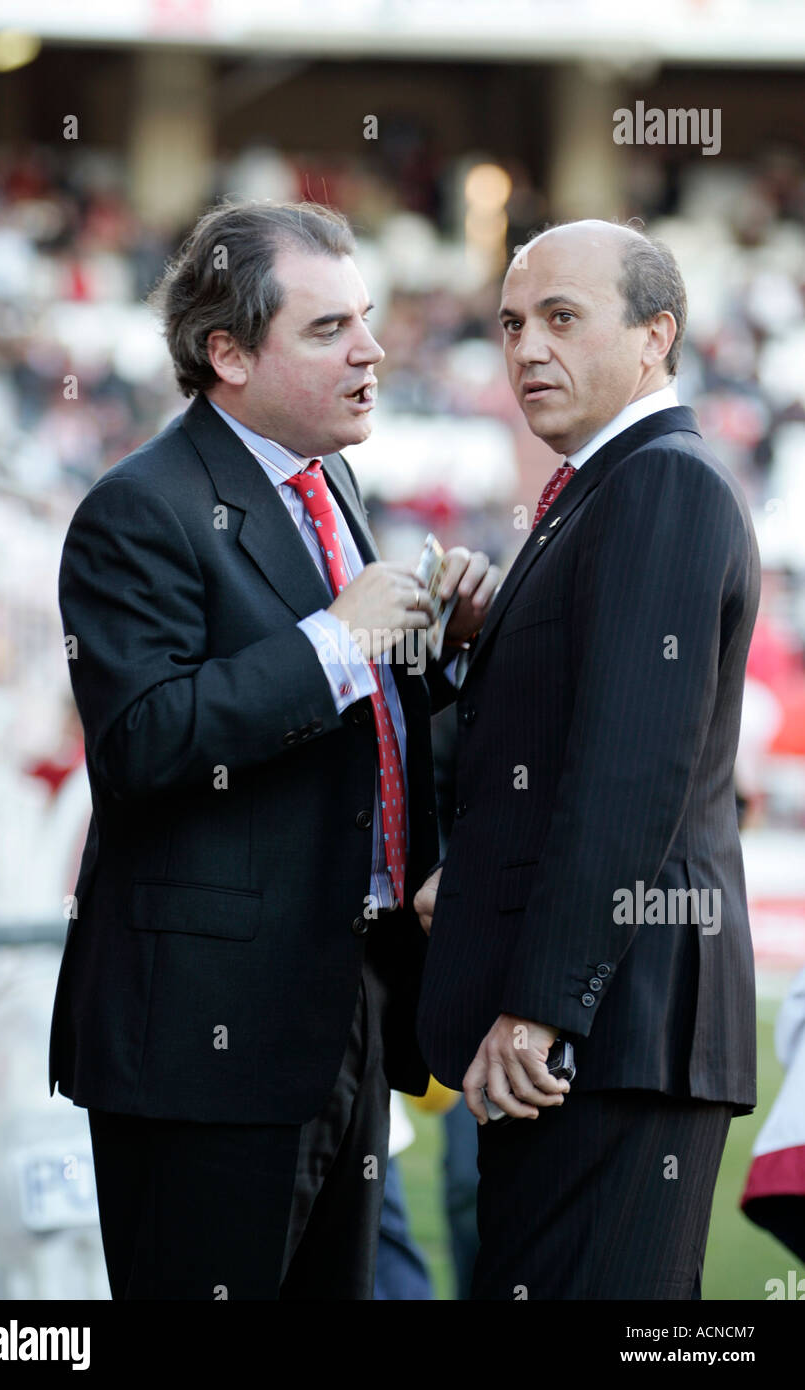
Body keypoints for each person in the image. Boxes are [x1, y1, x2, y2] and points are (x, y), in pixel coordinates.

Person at [48, 199, 498, 1300]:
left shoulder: (327, 478)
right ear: (228, 354)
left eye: (368, 318)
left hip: (341, 1004)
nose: (371, 350)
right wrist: (333, 639)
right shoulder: (137, 508)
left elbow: (351, 727)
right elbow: (145, 740)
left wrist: (438, 650)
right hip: (208, 1035)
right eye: (328, 329)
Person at [414, 219, 761, 1300]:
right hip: (591, 1033)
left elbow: (626, 770)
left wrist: (543, 1008)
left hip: (606, 1029)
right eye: (512, 322)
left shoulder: (659, 483)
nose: (524, 348)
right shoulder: (606, 486)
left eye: (561, 318)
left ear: (655, 335)